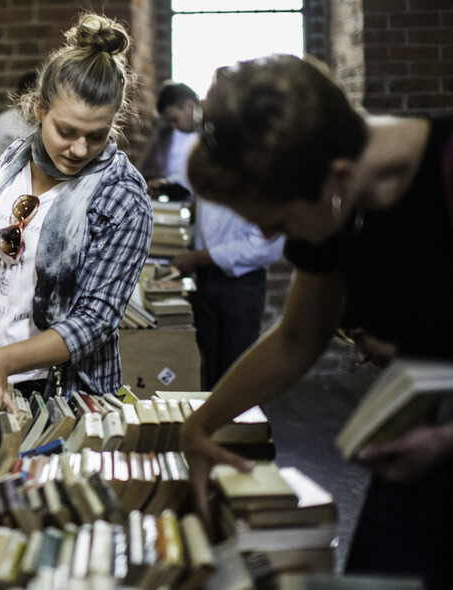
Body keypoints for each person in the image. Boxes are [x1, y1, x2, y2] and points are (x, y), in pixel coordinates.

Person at [178, 54, 453, 589]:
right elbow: (298, 338)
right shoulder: (332, 200)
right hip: (417, 456)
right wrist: (200, 423)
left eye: (276, 222)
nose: (269, 238)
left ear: (340, 177)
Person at [0, 12, 153, 420]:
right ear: (38, 109)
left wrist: (5, 360)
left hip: (69, 391)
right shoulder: (14, 158)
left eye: (97, 136)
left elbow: (95, 321)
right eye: (66, 131)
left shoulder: (121, 195)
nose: (80, 149)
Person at [152, 81, 285, 390]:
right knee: (210, 372)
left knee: (237, 374)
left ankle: (237, 435)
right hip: (206, 282)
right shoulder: (209, 152)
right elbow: (201, 189)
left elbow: (265, 247)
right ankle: (212, 433)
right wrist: (172, 186)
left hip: (240, 286)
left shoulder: (257, 165)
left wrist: (199, 257)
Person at [0, 70, 38, 166]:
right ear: (18, 95)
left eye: (35, 99)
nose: (31, 104)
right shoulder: (2, 122)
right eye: (28, 98)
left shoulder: (48, 124)